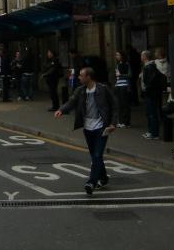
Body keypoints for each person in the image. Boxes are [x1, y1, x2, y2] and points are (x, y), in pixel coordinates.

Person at [54, 67, 117, 195]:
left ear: (89, 77)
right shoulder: (80, 90)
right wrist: (62, 109)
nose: (79, 77)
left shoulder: (102, 89)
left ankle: (91, 182)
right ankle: (103, 178)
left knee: (97, 155)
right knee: (95, 155)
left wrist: (113, 123)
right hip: (88, 128)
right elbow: (71, 102)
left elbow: (114, 106)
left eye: (81, 75)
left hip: (101, 128)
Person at [140, 50, 166, 140]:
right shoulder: (149, 66)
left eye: (142, 55)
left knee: (152, 113)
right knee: (150, 113)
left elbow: (150, 81)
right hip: (150, 93)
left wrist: (146, 90)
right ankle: (151, 131)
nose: (141, 57)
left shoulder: (149, 67)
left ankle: (154, 133)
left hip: (151, 94)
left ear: (145, 57)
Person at [113, 51, 132, 128]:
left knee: (125, 104)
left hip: (124, 85)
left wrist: (121, 75)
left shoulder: (127, 64)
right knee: (119, 104)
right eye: (116, 55)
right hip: (118, 85)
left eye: (118, 55)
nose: (116, 56)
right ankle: (121, 121)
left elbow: (130, 75)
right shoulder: (118, 65)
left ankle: (126, 122)